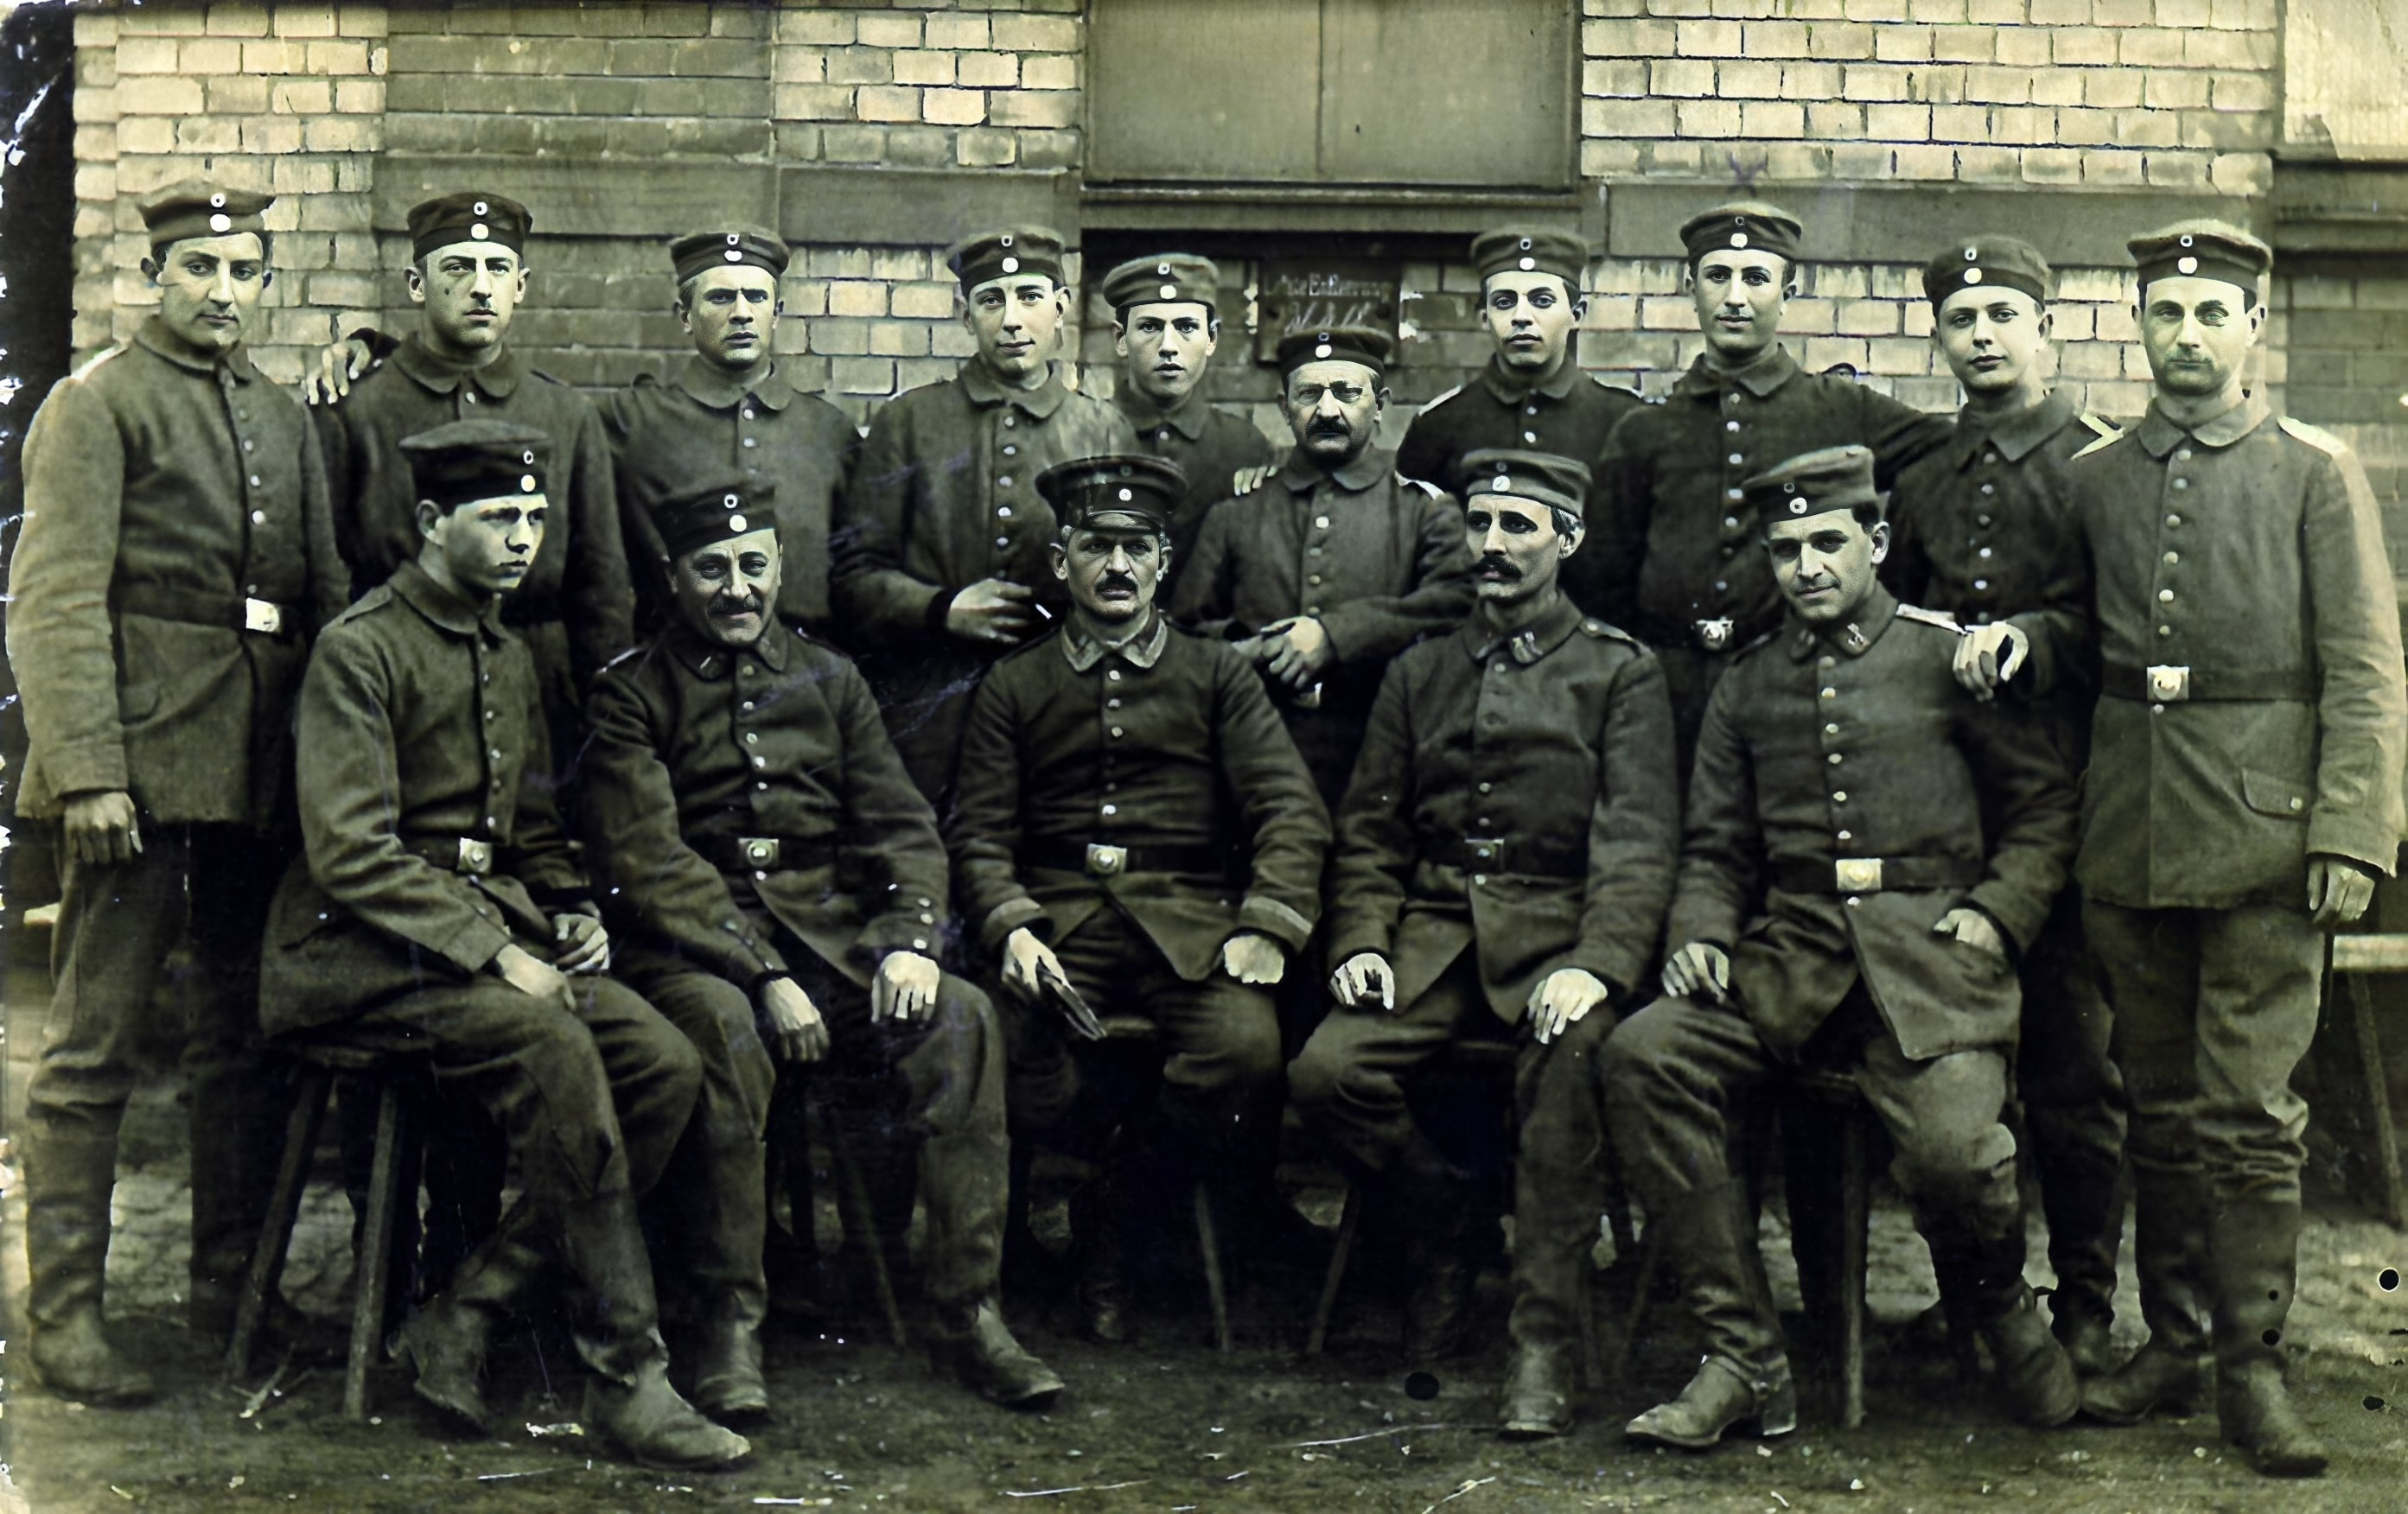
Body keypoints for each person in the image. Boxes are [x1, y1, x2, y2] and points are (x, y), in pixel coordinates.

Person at [258, 421, 746, 1470]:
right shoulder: (361, 646)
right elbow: (350, 852)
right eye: (499, 517)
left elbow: (525, 827)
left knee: (662, 1059)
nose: (525, 537)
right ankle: (626, 1377)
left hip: (482, 940)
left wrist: (569, 908)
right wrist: (494, 949)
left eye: (535, 516)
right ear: (433, 524)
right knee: (556, 1047)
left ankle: (468, 1311)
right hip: (355, 953)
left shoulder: (506, 647)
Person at [1602, 445, 2081, 1449]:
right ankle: (1742, 1355)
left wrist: (1995, 914)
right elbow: (1717, 845)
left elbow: (2040, 812)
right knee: (1644, 1055)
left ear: (1873, 542)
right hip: (1792, 965)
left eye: (1827, 543)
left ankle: (1998, 1304)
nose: (1806, 568)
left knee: (1956, 1159)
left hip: (1933, 965)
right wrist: (1697, 932)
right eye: (1784, 550)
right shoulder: (1748, 685)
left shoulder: (1941, 655)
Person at [577, 474, 1064, 1411]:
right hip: (692, 951)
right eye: (710, 569)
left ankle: (969, 1312)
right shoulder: (630, 692)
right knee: (724, 1030)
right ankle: (729, 1324)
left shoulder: (829, 677)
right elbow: (646, 859)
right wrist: (759, 971)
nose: (735, 589)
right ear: (673, 578)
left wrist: (908, 942)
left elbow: (899, 825)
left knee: (960, 1020)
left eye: (753, 566)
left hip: (836, 943)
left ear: (780, 566)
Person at [2042, 222, 2405, 1477]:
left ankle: (2252, 1366)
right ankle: (2173, 1341)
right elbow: (2080, 653)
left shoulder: (2312, 469)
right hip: (2130, 834)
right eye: (2164, 314)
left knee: (2248, 1115)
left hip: (2267, 840)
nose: (2185, 336)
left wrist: (2351, 831)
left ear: (2253, 329)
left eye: (2210, 314)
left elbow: (2364, 666)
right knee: (2154, 1107)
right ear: (2135, 328)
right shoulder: (2095, 480)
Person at [8, 181, 349, 1403]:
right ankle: (68, 1317)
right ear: (155, 275)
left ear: (268, 284)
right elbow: (53, 601)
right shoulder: (97, 404)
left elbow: (316, 593)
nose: (222, 291)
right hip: (141, 770)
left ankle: (227, 1297)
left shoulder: (276, 413)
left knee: (238, 1040)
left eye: (244, 270)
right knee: (94, 1046)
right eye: (197, 266)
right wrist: (88, 772)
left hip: (255, 768)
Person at [1290, 449, 1676, 1423]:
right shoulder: (1420, 670)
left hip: (1555, 940)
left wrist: (1597, 965)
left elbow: (1635, 842)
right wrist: (1361, 943)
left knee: (1560, 1084)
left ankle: (1538, 1346)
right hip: (1428, 938)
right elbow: (1369, 830)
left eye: (1519, 527)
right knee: (1325, 1074)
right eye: (1480, 526)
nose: (1492, 547)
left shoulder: (1616, 670)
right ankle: (1448, 1224)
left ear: (1568, 541)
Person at [947, 455, 1329, 1343]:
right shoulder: (1015, 683)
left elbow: (1288, 811)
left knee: (1242, 1055)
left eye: (1136, 548)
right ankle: (1028, 1248)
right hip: (1057, 921)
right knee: (1002, 1051)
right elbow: (978, 832)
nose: (1115, 567)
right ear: (1060, 563)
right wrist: (1008, 924)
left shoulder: (1216, 677)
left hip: (1188, 922)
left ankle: (1114, 1211)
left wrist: (1267, 924)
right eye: (1094, 547)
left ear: (1163, 563)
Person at [1882, 234, 2126, 1374]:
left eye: (2000, 315)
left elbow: (2122, 626)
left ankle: (2082, 1303)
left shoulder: (2092, 467)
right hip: (1952, 807)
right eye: (1959, 318)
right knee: (1952, 1057)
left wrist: (2028, 638)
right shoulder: (1923, 474)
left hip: (2068, 798)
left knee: (2072, 1072)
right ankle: (1977, 1298)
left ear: (2046, 328)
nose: (1979, 334)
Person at [1585, 201, 1953, 775]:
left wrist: (1886, 583)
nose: (1736, 298)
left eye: (1756, 278)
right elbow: (1603, 577)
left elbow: (1948, 460)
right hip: (1665, 692)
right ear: (1691, 286)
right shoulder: (1644, 432)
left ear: (1790, 288)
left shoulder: (1842, 410)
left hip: (1794, 685)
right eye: (1718, 277)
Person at [309, 190, 633, 746]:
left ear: (521, 286)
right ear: (417, 284)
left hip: (541, 697)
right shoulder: (357, 411)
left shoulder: (567, 415)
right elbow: (326, 576)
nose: (481, 286)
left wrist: (605, 729)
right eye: (457, 267)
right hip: (400, 696)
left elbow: (601, 591)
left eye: (498, 268)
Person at [834, 225, 1137, 803]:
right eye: (991, 301)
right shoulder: (910, 423)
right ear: (964, 314)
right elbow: (853, 576)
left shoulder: (1102, 429)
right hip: (933, 699)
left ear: (1061, 306)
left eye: (1029, 297)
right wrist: (939, 608)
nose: (1013, 321)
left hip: (1062, 699)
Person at [1170, 326, 1475, 805]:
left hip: (1385, 755)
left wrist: (1337, 636)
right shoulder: (1237, 512)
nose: (1328, 410)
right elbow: (1185, 630)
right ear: (1284, 407)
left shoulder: (1423, 511)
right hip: (1255, 753)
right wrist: (1246, 650)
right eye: (1309, 394)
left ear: (1380, 404)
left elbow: (1457, 604)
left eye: (1348, 393)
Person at [603, 226, 860, 638]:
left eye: (756, 297)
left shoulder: (829, 431)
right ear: (685, 316)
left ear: (776, 313)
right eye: (720, 297)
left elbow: (855, 575)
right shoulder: (633, 421)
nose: (741, 312)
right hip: (672, 674)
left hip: (805, 675)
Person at [1394, 227, 1640, 492]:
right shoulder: (1439, 423)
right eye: (1503, 302)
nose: (1521, 315)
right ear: (1484, 318)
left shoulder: (1625, 419)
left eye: (1542, 301)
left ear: (1576, 315)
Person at [1096, 251, 1279, 582]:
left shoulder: (1244, 446)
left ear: (1211, 339)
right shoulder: (1082, 431)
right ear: (1121, 339)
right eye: (1150, 327)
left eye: (1186, 327)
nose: (1168, 345)